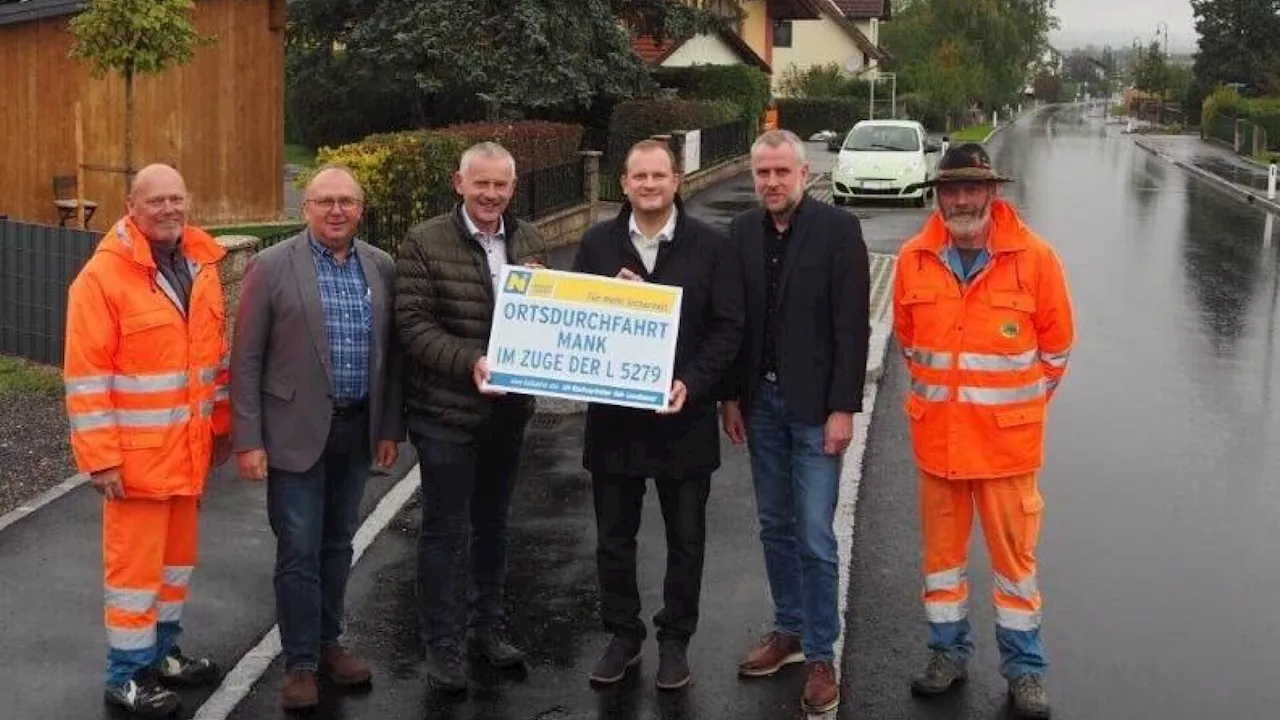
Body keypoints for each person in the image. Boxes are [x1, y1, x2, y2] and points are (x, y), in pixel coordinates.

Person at [892, 143, 1074, 719]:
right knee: (942, 565)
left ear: (992, 194)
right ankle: (948, 655)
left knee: (1014, 568)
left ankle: (1026, 671)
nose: (963, 199)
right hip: (938, 447)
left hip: (1005, 451)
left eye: (973, 188)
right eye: (952, 189)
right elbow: (908, 342)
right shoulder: (912, 259)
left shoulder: (1035, 258)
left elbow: (1057, 348)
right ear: (939, 196)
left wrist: (1014, 409)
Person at [229, 165, 404, 711]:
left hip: (356, 430)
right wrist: (248, 439)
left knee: (338, 545)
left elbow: (391, 357)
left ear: (360, 209)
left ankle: (330, 644)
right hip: (291, 434)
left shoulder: (382, 267)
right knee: (299, 550)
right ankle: (300, 662)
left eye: (346, 202)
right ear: (306, 207)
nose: (336, 210)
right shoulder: (270, 266)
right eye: (325, 201)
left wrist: (389, 428)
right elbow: (246, 360)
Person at [571, 139, 744, 691]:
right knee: (613, 541)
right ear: (622, 183)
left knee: (686, 540)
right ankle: (623, 635)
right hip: (615, 422)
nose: (649, 185)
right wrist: (598, 298)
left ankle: (675, 641)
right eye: (639, 176)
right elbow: (574, 321)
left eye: (659, 176)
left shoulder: (710, 247)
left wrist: (691, 384)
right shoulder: (597, 244)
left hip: (683, 419)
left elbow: (727, 327)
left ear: (677, 181)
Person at [63, 163, 228, 718]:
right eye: (154, 200)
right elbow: (85, 378)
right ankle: (125, 676)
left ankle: (162, 656)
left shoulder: (200, 264)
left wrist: (219, 434)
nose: (168, 209)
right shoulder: (102, 279)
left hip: (185, 457)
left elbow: (209, 364)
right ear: (130, 206)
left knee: (175, 566)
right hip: (132, 467)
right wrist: (101, 460)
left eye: (176, 199)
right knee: (133, 576)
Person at [722, 129, 870, 715]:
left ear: (805, 174)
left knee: (813, 533)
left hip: (815, 412)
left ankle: (820, 654)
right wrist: (732, 398)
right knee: (775, 526)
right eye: (763, 173)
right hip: (760, 406)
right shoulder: (738, 233)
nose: (772, 182)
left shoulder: (839, 232)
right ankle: (788, 631)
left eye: (782, 172)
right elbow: (733, 322)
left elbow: (851, 328)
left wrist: (843, 408)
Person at [394, 141, 547, 695]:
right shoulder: (424, 240)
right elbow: (411, 324)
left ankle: (487, 630)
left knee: (493, 525)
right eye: (480, 184)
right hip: (445, 414)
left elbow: (546, 318)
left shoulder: (528, 238)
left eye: (500, 185)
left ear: (513, 186)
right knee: (445, 529)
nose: (491, 195)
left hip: (507, 414)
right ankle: (443, 644)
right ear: (459, 183)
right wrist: (471, 362)